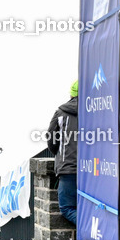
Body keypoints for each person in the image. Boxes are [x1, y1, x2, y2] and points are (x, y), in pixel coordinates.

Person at [47, 81, 79, 226]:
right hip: (96, 170)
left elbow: (51, 139)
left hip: (69, 168)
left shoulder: (61, 112)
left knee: (66, 208)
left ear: (71, 94)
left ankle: (93, 228)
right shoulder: (97, 110)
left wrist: (59, 154)